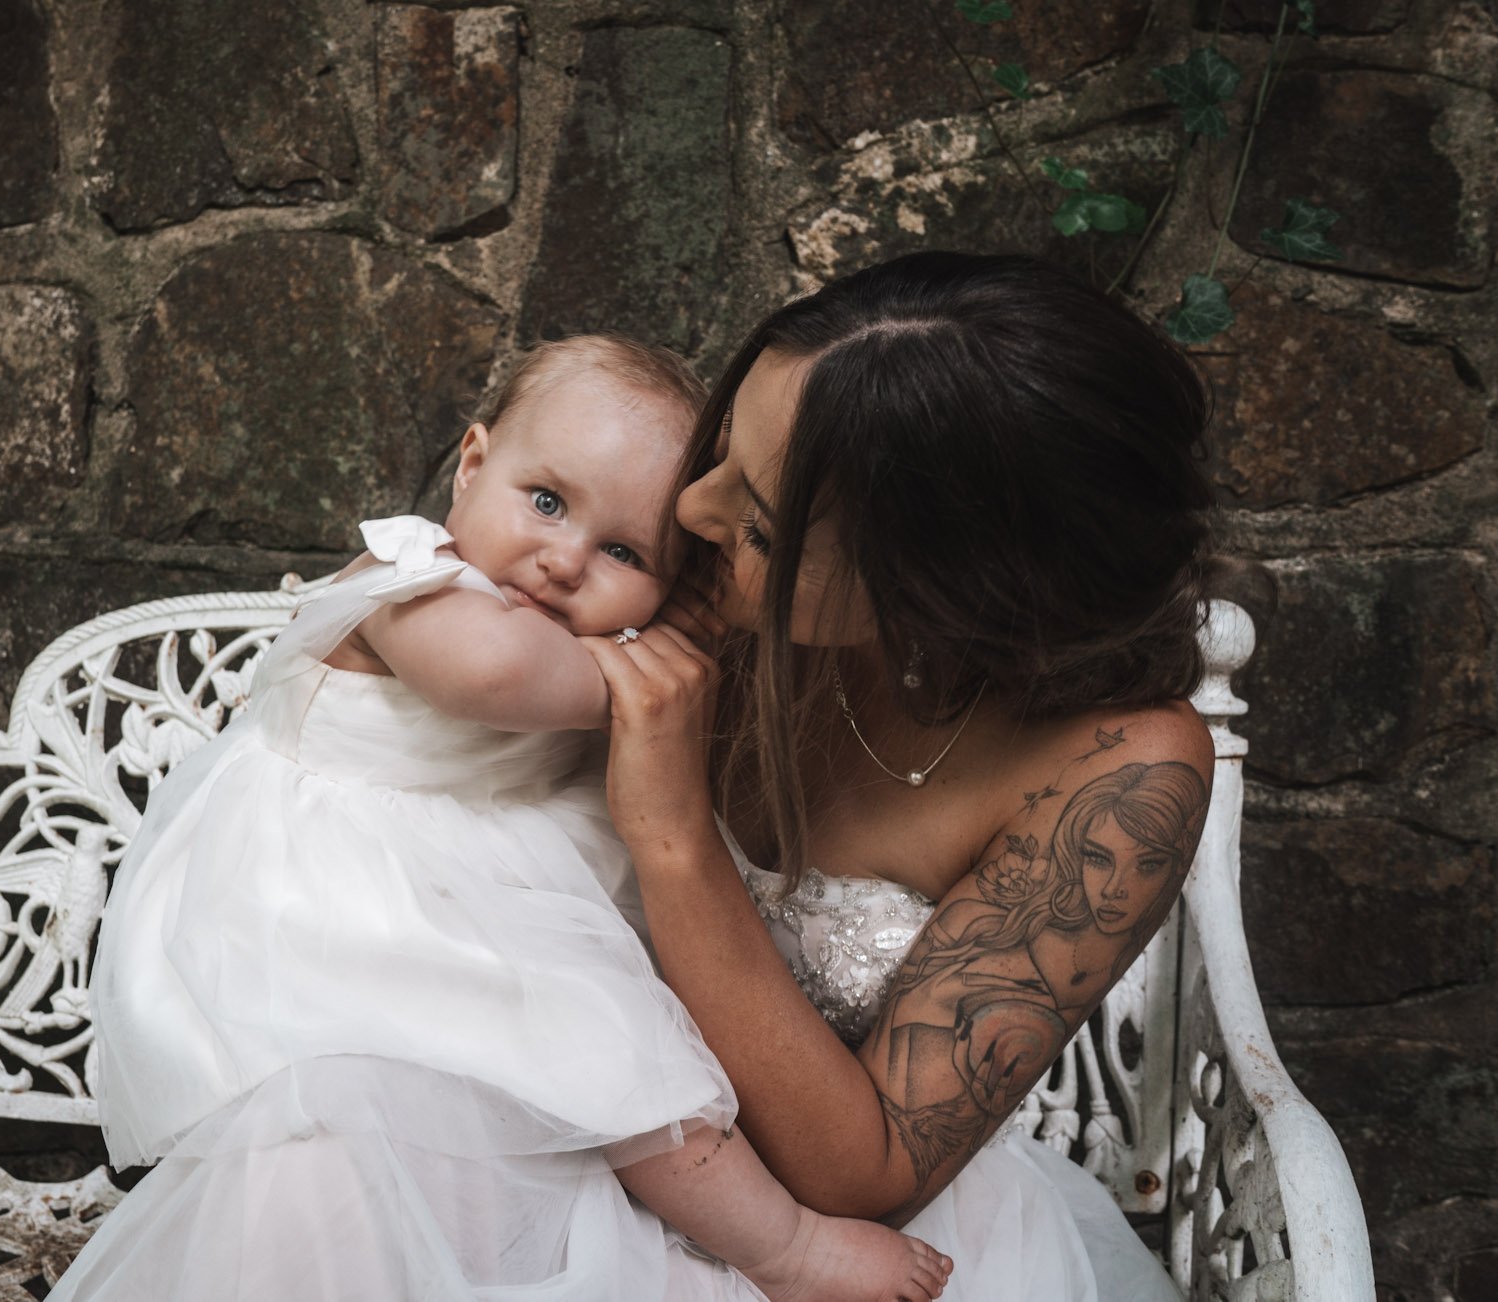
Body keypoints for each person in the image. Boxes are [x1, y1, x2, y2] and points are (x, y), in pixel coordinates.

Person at [51, 335, 953, 1302]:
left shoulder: (572, 625)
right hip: (337, 914)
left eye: (623, 551)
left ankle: (770, 1246)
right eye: (548, 501)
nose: (563, 560)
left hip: (469, 900)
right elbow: (490, 674)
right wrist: (656, 659)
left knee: (621, 1058)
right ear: (473, 465)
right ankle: (784, 1250)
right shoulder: (405, 575)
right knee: (596, 1051)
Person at [583, 252, 1216, 1301]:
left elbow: (861, 1176)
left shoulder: (1116, 772)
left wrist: (672, 836)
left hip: (822, 1248)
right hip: (552, 1114)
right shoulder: (687, 569)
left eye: (758, 526)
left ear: (949, 584)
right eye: (722, 453)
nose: (688, 508)